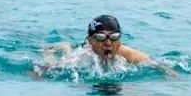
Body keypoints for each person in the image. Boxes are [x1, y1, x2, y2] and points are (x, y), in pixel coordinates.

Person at [31, 14, 177, 78]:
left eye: (114, 37)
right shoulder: (81, 56)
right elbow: (49, 69)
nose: (108, 43)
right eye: (101, 37)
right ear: (91, 40)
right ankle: (61, 47)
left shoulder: (128, 54)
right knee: (64, 50)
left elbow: (157, 65)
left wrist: (168, 73)